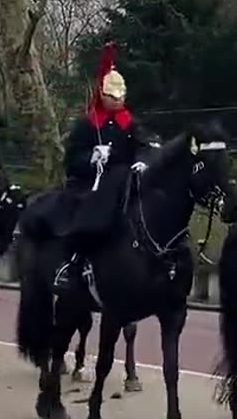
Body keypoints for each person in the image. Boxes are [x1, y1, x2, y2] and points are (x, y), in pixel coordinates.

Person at [53, 41, 160, 295]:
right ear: (102, 95)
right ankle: (72, 264)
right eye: (112, 96)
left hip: (123, 181)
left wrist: (143, 160)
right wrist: (91, 157)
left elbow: (144, 144)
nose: (117, 100)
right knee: (84, 215)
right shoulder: (87, 124)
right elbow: (70, 160)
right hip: (90, 183)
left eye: (120, 96)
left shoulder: (130, 123)